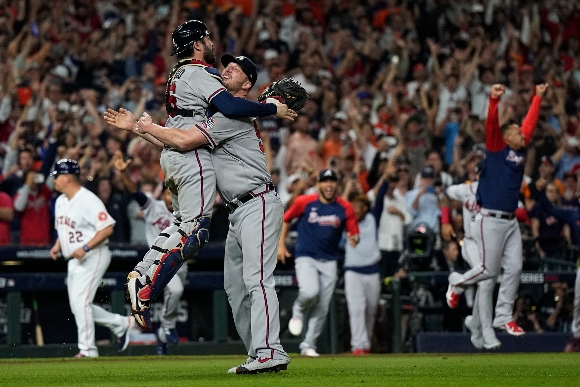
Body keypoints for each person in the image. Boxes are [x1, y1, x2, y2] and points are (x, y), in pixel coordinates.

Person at [104, 19, 295, 329]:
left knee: (182, 225)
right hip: (190, 156)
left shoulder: (179, 75)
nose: (212, 45)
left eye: (235, 68)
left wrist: (140, 128)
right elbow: (227, 109)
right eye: (206, 39)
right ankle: (146, 284)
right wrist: (274, 109)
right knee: (196, 230)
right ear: (196, 44)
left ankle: (143, 272)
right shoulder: (202, 74)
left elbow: (179, 133)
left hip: (174, 156)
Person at [133, 54, 292, 374]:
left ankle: (271, 350)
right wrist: (139, 129)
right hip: (238, 211)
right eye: (226, 65)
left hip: (257, 203)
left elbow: (183, 138)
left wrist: (147, 127)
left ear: (247, 84)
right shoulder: (220, 112)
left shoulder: (231, 116)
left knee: (257, 279)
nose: (227, 68)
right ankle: (258, 354)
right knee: (235, 287)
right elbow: (177, 144)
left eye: (236, 69)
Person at [446, 83, 548, 338]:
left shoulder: (519, 149)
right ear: (505, 137)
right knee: (488, 271)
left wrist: (536, 98)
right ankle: (456, 283)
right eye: (514, 131)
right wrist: (493, 101)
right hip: (489, 219)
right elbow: (492, 125)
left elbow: (529, 125)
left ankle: (503, 317)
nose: (521, 133)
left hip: (511, 220)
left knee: (514, 269)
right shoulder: (495, 148)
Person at [49, 159, 135, 358]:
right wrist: (58, 245)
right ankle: (122, 324)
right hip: (74, 258)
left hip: (94, 255)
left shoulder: (88, 199)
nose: (54, 180)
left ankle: (88, 350)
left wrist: (86, 247)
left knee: (81, 303)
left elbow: (107, 228)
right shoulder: (61, 200)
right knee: (79, 306)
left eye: (57, 176)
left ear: (67, 177)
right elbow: (64, 228)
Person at [278, 169, 360, 357]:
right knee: (310, 292)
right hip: (306, 255)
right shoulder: (304, 202)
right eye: (325, 181)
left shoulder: (344, 207)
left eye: (332, 181)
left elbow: (353, 232)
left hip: (330, 259)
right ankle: (298, 309)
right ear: (318, 185)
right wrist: (281, 245)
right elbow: (286, 219)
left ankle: (308, 345)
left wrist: (354, 238)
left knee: (322, 305)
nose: (329, 185)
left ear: (337, 185)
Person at [111, 151, 186, 356]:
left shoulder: (188, 211)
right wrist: (124, 173)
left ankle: (162, 337)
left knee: (174, 294)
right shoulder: (155, 207)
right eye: (168, 192)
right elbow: (135, 191)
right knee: (176, 291)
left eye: (174, 192)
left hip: (182, 261)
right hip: (160, 260)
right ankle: (168, 327)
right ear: (162, 194)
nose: (170, 196)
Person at [534, 180, 580, 352]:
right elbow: (551, 210)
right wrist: (539, 192)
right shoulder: (574, 214)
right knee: (579, 303)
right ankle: (577, 337)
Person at [345, 194, 381, 355]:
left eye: (358, 206)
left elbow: (379, 200)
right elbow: (340, 206)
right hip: (353, 270)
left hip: (372, 270)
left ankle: (365, 344)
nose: (354, 209)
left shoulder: (373, 219)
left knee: (371, 309)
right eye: (352, 206)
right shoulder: (347, 221)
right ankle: (358, 346)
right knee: (357, 308)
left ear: (365, 208)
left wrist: (386, 179)